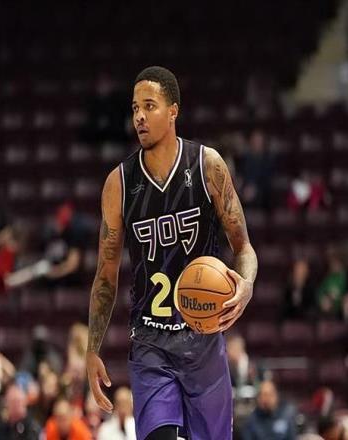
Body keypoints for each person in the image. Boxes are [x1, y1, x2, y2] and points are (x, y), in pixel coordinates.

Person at [85, 66, 258, 440]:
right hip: (150, 342)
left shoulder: (207, 165)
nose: (139, 116)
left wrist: (245, 285)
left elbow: (243, 247)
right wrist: (92, 348)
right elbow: (106, 274)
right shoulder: (119, 184)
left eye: (149, 106)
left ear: (173, 111)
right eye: (135, 108)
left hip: (204, 340)